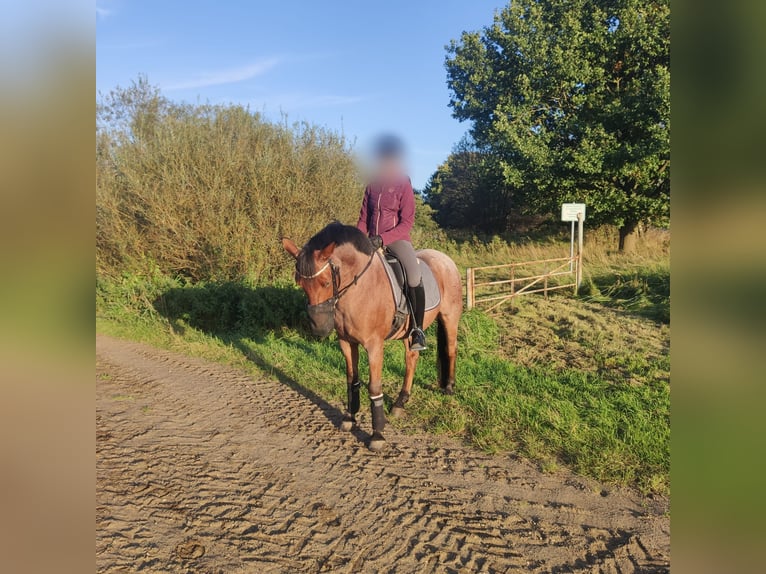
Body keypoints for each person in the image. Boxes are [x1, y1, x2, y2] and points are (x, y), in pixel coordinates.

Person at [357, 135, 427, 351]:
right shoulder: (372, 186)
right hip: (370, 241)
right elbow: (363, 218)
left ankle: (418, 330)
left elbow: (407, 222)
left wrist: (383, 239)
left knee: (414, 276)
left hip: (396, 240)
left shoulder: (403, 184)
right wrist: (359, 240)